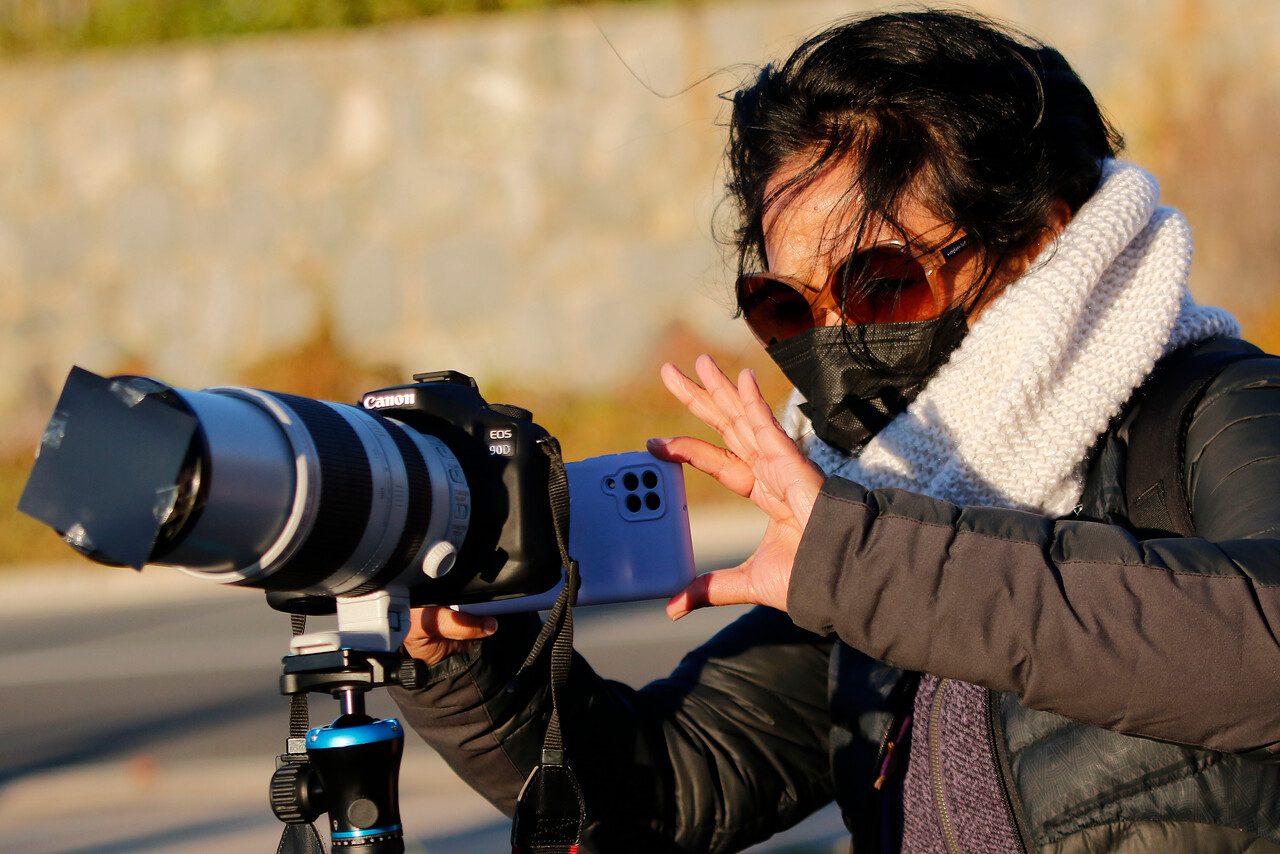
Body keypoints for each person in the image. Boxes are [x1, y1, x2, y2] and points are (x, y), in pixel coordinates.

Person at [390, 9, 1280, 853]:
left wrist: (858, 561)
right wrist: (476, 663)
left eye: (880, 284)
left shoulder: (1213, 408)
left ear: (1040, 239)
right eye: (784, 306)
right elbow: (666, 789)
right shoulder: (881, 508)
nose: (831, 340)